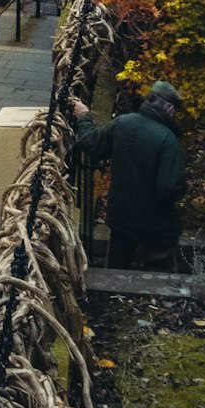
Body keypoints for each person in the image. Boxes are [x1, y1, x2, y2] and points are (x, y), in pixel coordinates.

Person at [71, 80, 187, 269]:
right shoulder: (169, 141)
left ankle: (110, 295)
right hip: (156, 225)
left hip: (121, 217)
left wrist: (84, 116)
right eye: (174, 108)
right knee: (161, 276)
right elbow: (168, 189)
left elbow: (92, 143)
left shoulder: (122, 123)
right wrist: (183, 186)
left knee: (116, 270)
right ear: (168, 108)